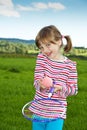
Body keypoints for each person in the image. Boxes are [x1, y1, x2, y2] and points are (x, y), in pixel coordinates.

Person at [29, 25, 78, 130]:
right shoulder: (42, 58)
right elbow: (36, 81)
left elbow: (74, 89)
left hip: (56, 114)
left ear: (59, 41)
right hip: (38, 110)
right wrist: (40, 84)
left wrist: (60, 88)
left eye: (48, 45)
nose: (45, 50)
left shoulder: (70, 65)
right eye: (41, 47)